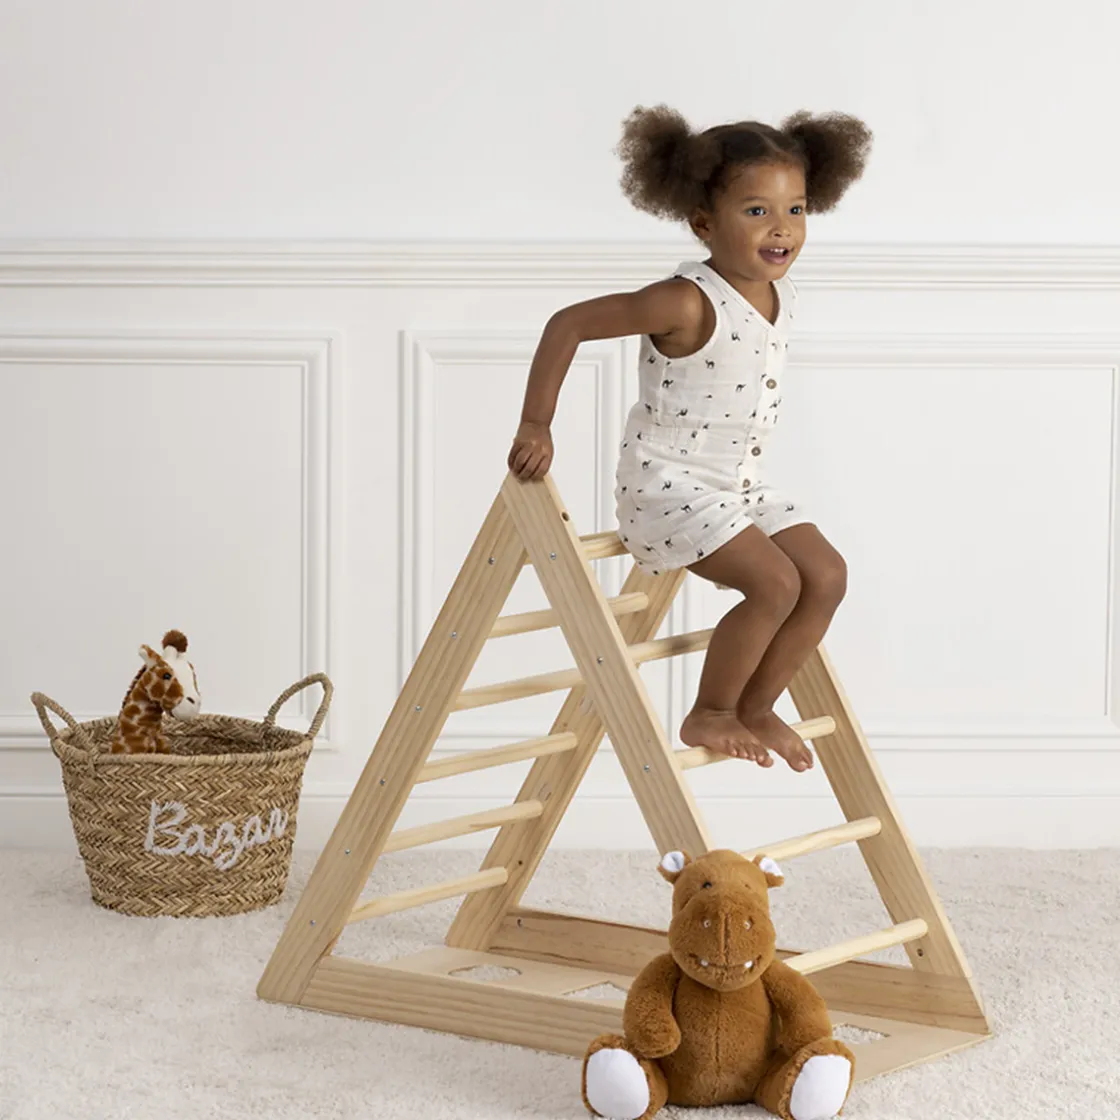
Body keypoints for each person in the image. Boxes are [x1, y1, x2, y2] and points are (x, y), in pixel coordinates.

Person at [507, 104, 873, 770]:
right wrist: (537, 422)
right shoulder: (684, 300)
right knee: (776, 584)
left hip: (738, 485)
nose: (782, 228)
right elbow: (569, 323)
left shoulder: (781, 294)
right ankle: (711, 711)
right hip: (668, 488)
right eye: (757, 211)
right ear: (704, 222)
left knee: (825, 575)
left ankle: (758, 706)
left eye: (796, 210)